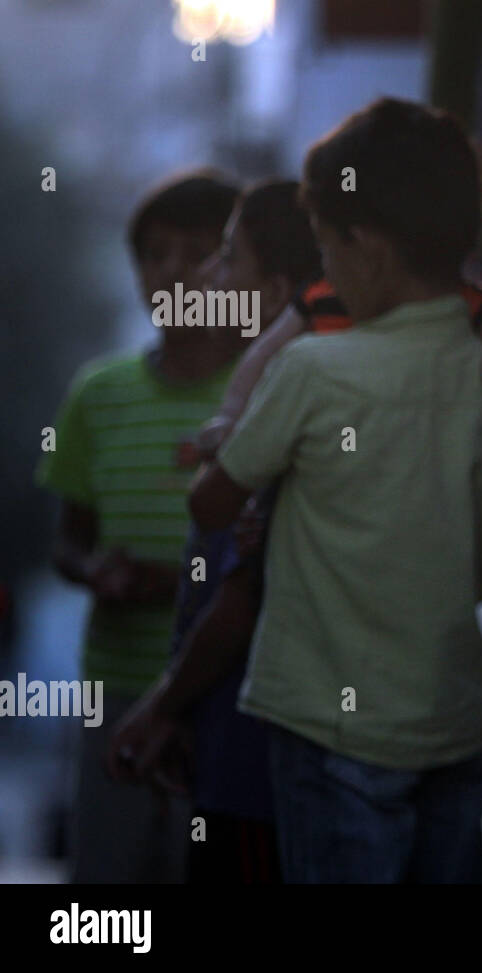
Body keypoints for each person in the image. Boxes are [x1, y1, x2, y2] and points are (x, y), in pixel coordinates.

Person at [109, 178, 482, 882]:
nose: (205, 276)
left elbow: (235, 586)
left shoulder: (310, 374)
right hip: (326, 735)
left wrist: (162, 704)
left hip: (272, 757)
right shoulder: (335, 352)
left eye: (223, 257)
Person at [35, 170, 241, 882]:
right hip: (116, 687)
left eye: (198, 252)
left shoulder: (268, 390)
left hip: (229, 692)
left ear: (238, 270)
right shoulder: (99, 393)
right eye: (156, 254)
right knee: (109, 890)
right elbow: (67, 538)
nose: (173, 270)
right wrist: (95, 571)